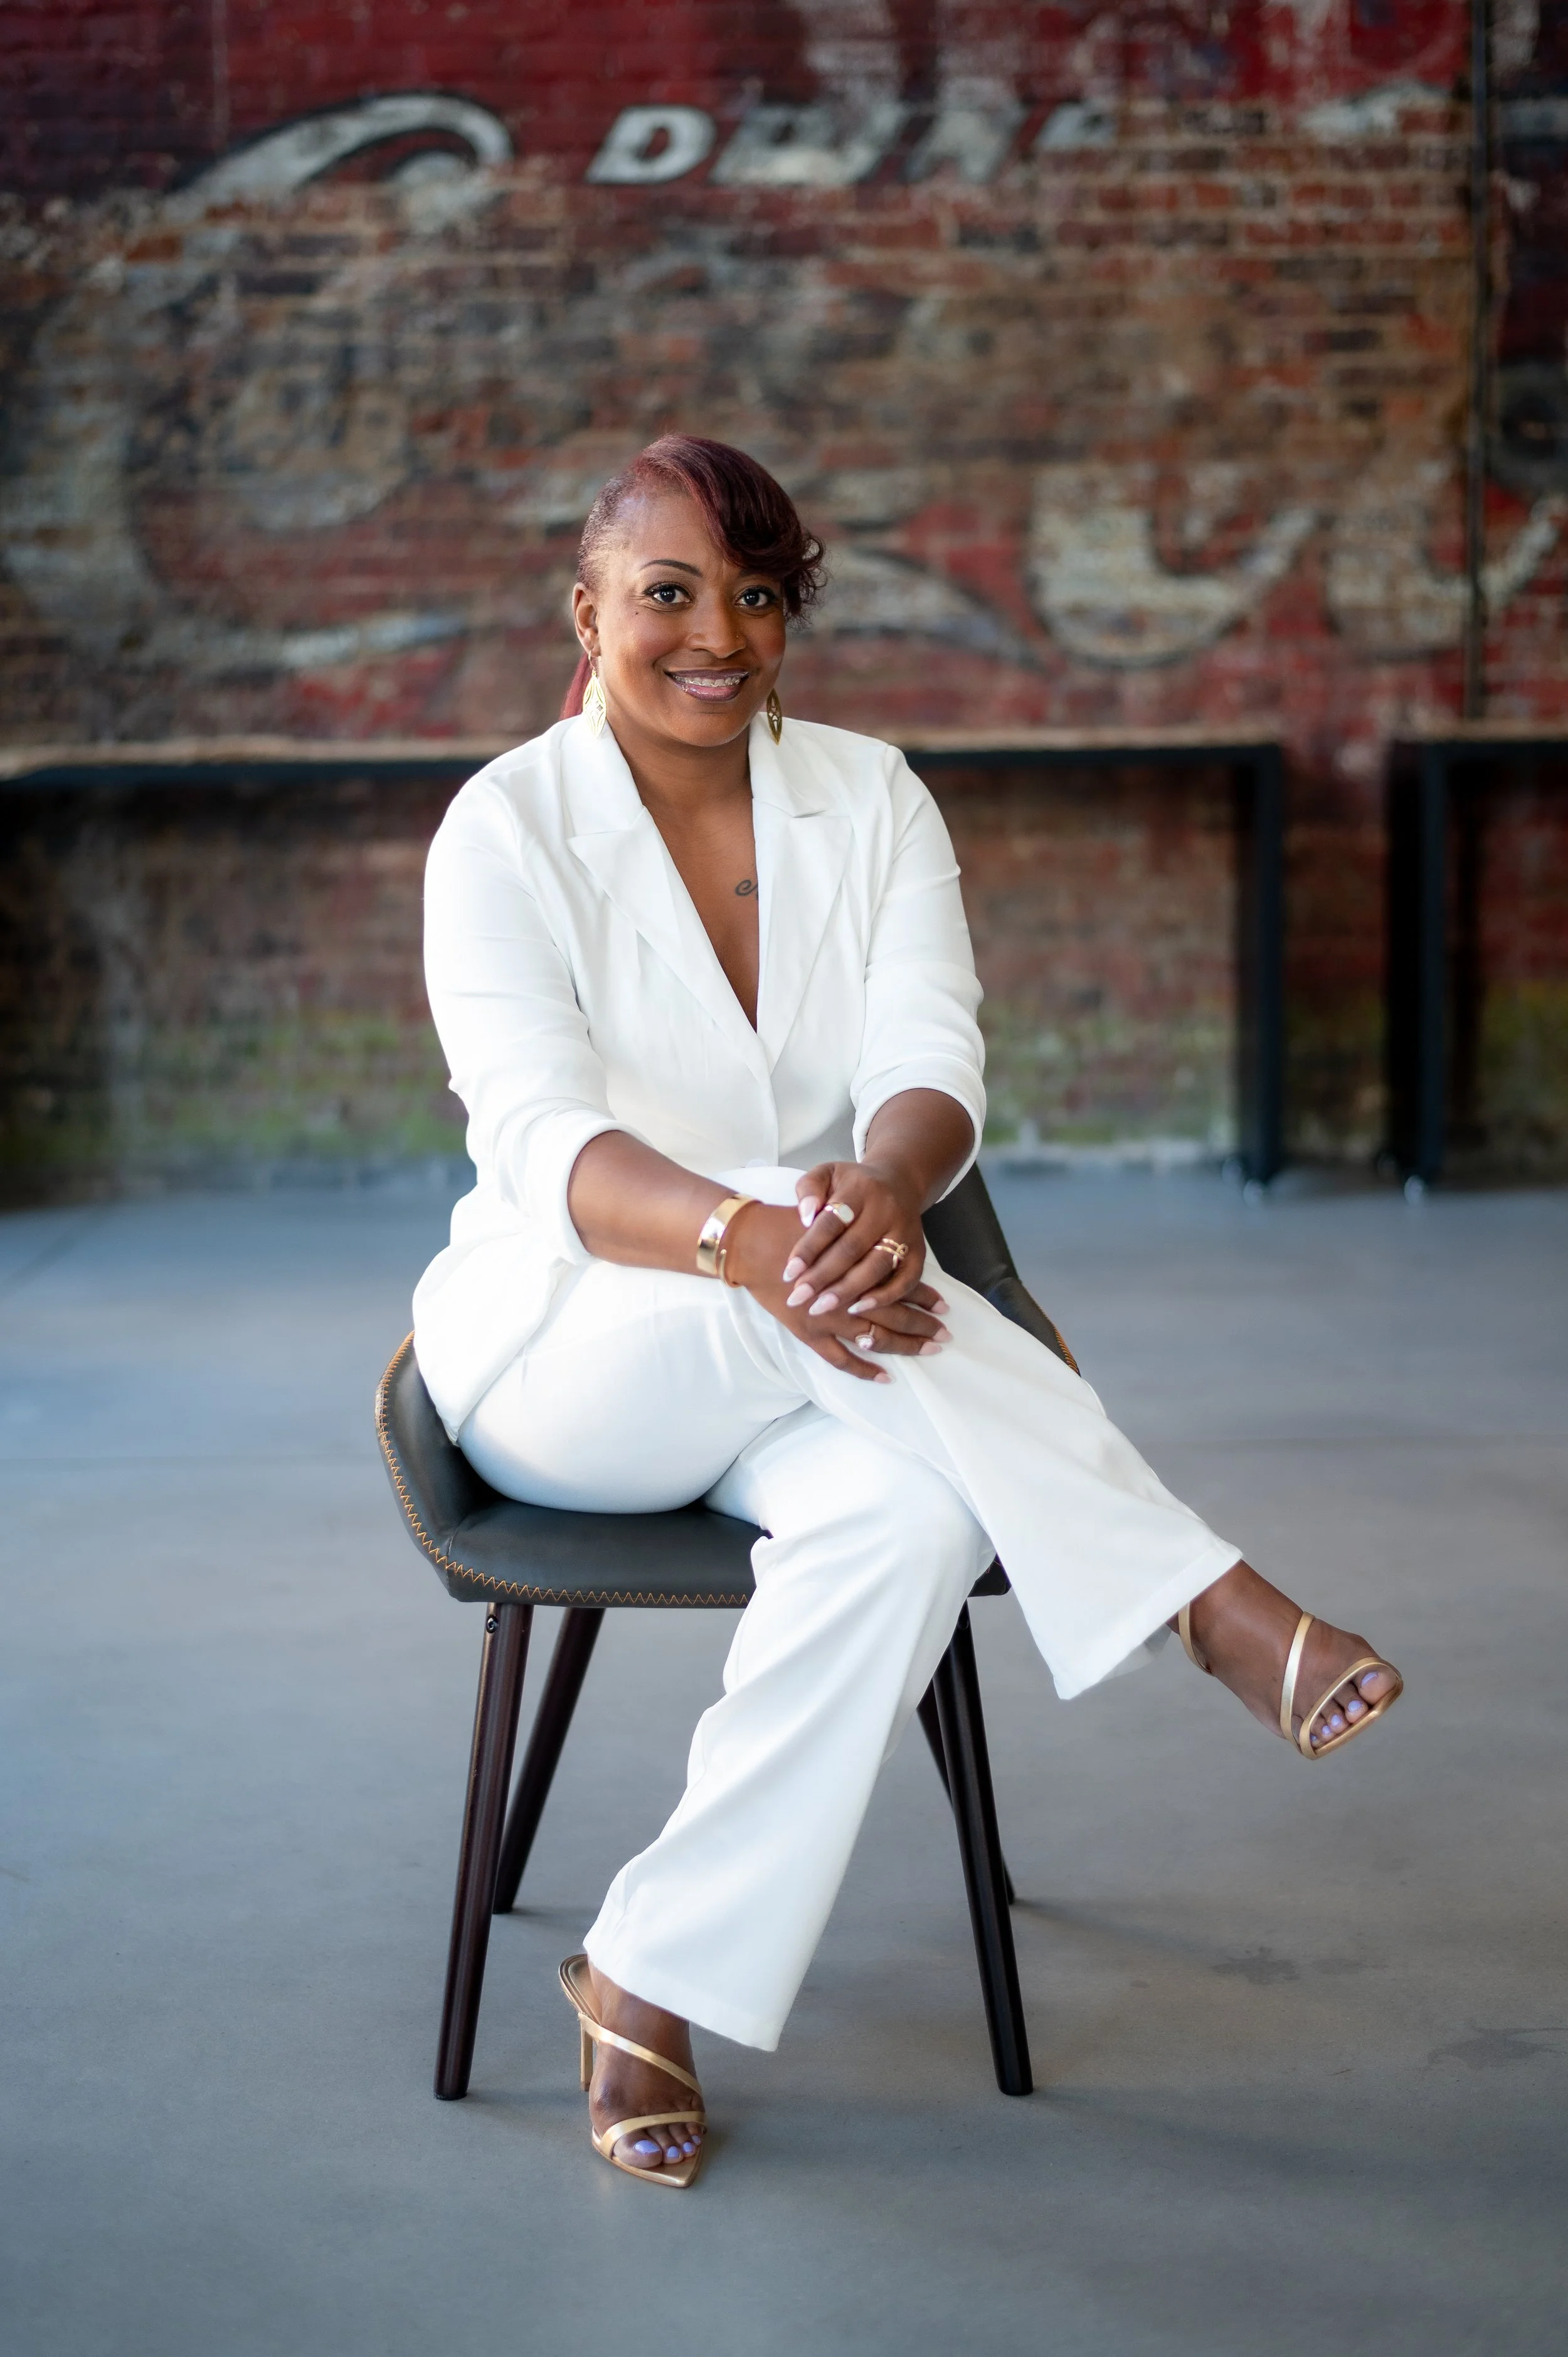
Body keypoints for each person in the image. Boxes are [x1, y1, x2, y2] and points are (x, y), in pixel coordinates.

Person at [412, 434, 1402, 2190]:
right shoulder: (506, 826)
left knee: (915, 1522)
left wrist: (883, 1181)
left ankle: (648, 1975)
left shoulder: (869, 797)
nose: (716, 632)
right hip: (569, 1352)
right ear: (588, 611)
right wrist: (757, 1235)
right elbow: (542, 1139)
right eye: (667, 593)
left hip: (831, 1343)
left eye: (756, 595)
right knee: (808, 1267)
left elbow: (931, 1057)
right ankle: (1197, 1595)